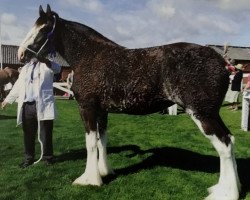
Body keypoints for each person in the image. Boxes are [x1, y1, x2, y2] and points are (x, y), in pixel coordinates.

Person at [1, 56, 61, 168]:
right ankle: (29, 158)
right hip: (27, 105)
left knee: (45, 132)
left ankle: (48, 157)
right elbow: (18, 85)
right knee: (28, 134)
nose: (32, 57)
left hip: (43, 104)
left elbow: (58, 68)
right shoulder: (25, 68)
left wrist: (45, 60)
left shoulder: (47, 65)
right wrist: (7, 100)